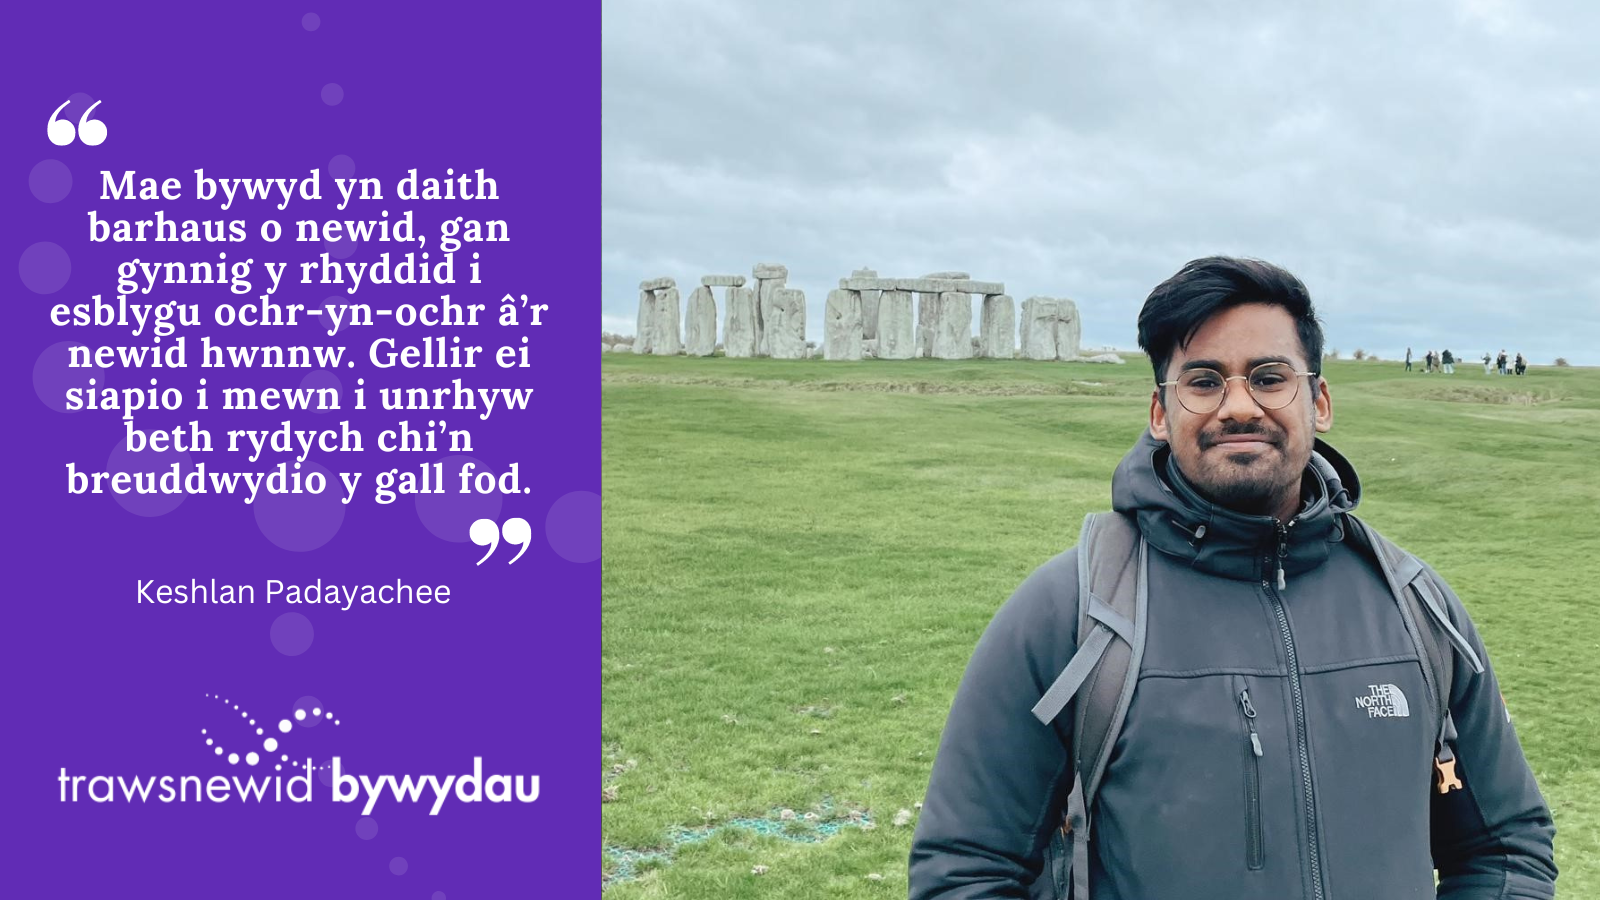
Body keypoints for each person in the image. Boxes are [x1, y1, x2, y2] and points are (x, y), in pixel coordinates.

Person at [909, 257, 1556, 899]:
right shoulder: (1071, 613)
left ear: (1320, 400)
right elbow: (965, 871)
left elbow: (1504, 851)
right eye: (1204, 381)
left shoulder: (1416, 606)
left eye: (1270, 378)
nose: (1239, 406)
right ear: (1161, 413)